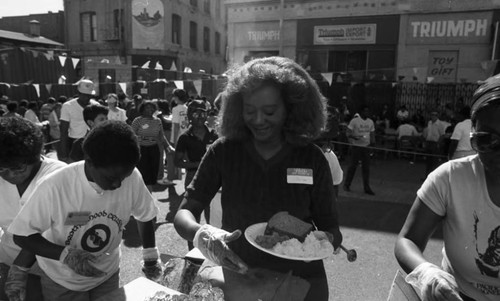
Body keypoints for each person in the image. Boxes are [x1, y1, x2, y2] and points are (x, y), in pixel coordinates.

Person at [173, 56, 342, 301]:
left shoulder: (312, 159)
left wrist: (325, 241)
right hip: (240, 277)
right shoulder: (224, 151)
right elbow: (183, 214)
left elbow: (332, 229)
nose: (258, 120)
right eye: (250, 111)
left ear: (291, 108)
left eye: (270, 111)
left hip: (303, 281)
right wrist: (203, 234)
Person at [8, 120, 162, 301]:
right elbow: (22, 235)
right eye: (110, 178)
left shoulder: (131, 176)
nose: (118, 184)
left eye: (124, 176)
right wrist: (65, 255)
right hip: (63, 281)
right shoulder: (55, 186)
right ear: (88, 162)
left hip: (107, 274)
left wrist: (150, 254)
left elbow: (145, 215)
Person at [394, 74, 500, 301]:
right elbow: (408, 240)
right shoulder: (450, 178)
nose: (498, 152)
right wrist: (428, 274)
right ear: (472, 133)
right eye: (485, 140)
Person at [0, 117, 66, 301]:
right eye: (2, 169)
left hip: (53, 266)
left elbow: (75, 222)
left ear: (35, 155)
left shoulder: (61, 176)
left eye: (17, 167)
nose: (10, 175)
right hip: (7, 259)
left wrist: (20, 268)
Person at [174, 99, 218, 247]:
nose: (199, 117)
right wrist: (199, 164)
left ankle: (213, 249)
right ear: (189, 116)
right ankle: (193, 253)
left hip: (214, 179)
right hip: (193, 178)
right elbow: (177, 162)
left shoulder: (214, 135)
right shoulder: (184, 137)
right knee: (192, 218)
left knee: (213, 217)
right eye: (196, 113)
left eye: (203, 113)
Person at [131, 100, 175, 191]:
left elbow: (161, 136)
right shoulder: (138, 120)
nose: (150, 110)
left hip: (154, 149)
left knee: (152, 174)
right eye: (147, 107)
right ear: (142, 109)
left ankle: (149, 194)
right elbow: (131, 135)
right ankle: (143, 193)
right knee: (142, 173)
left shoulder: (157, 121)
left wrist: (168, 146)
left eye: (152, 108)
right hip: (141, 149)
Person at [59, 79, 99, 162]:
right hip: (74, 144)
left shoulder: (96, 106)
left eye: (89, 95)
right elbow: (63, 131)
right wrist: (63, 154)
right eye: (84, 95)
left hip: (93, 143)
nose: (87, 98)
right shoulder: (67, 106)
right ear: (79, 93)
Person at [343, 106, 376, 195]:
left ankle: (367, 187)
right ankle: (346, 185)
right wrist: (353, 138)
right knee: (352, 166)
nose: (367, 113)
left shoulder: (370, 122)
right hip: (356, 146)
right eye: (365, 111)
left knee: (366, 168)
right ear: (361, 112)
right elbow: (348, 133)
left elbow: (372, 134)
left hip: (366, 147)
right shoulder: (354, 121)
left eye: (368, 111)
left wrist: (372, 144)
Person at [423, 110, 447, 176]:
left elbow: (442, 135)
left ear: (437, 116)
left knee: (434, 161)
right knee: (428, 161)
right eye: (432, 115)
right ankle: (427, 175)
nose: (433, 116)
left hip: (435, 143)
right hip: (429, 142)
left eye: (435, 115)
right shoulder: (429, 123)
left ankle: (434, 176)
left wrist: (438, 143)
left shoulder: (440, 124)